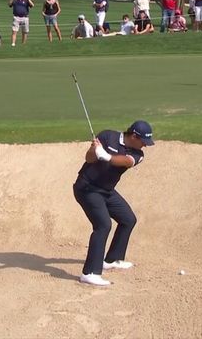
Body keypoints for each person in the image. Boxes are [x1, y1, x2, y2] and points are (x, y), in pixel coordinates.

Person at [73, 120, 154, 286]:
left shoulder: (138, 154)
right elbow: (88, 159)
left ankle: (112, 259)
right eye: (143, 142)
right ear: (133, 136)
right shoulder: (107, 136)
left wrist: (107, 156)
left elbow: (126, 161)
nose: (144, 146)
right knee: (103, 225)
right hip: (87, 188)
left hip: (106, 191)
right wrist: (95, 150)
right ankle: (89, 273)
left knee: (128, 219)